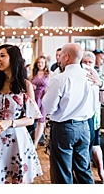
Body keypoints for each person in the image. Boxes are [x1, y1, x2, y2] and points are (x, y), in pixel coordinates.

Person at [0, 45, 43, 184]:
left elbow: (31, 119)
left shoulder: (25, 85)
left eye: (2, 56)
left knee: (17, 181)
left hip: (17, 139)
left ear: (13, 59)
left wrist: (10, 122)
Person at [41, 43, 98, 184]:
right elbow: (95, 104)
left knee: (63, 171)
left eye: (60, 56)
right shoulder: (91, 77)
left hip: (64, 128)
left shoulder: (60, 78)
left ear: (66, 57)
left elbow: (48, 108)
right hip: (85, 128)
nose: (58, 59)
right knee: (84, 169)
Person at [80, 50, 104, 184]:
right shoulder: (78, 76)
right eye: (84, 62)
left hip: (94, 117)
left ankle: (101, 172)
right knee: (82, 150)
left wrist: (100, 84)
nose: (87, 65)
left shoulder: (99, 78)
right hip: (80, 118)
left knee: (95, 146)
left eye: (90, 62)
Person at [31, 55, 51, 146]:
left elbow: (50, 87)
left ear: (45, 64)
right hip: (34, 97)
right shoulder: (33, 73)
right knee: (32, 119)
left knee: (41, 121)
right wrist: (32, 87)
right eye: (39, 62)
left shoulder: (49, 74)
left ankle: (35, 142)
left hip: (43, 97)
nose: (40, 64)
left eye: (42, 62)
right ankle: (31, 140)